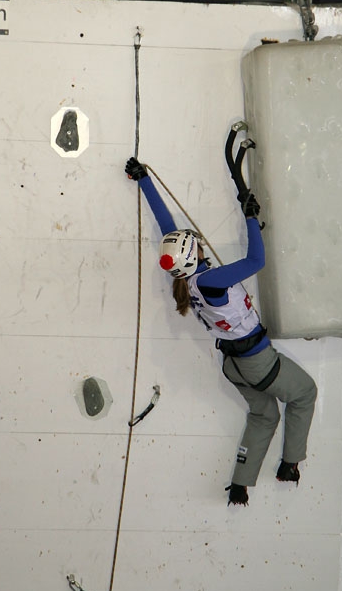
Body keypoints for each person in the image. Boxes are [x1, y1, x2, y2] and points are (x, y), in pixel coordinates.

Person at [125, 157, 317, 506]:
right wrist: (250, 218)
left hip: (234, 365)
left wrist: (144, 181)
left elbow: (167, 226)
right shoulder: (211, 280)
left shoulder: (187, 279)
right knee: (304, 393)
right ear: (192, 255)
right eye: (194, 245)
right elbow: (255, 262)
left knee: (265, 414)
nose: (199, 244)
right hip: (256, 361)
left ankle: (241, 485)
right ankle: (290, 463)